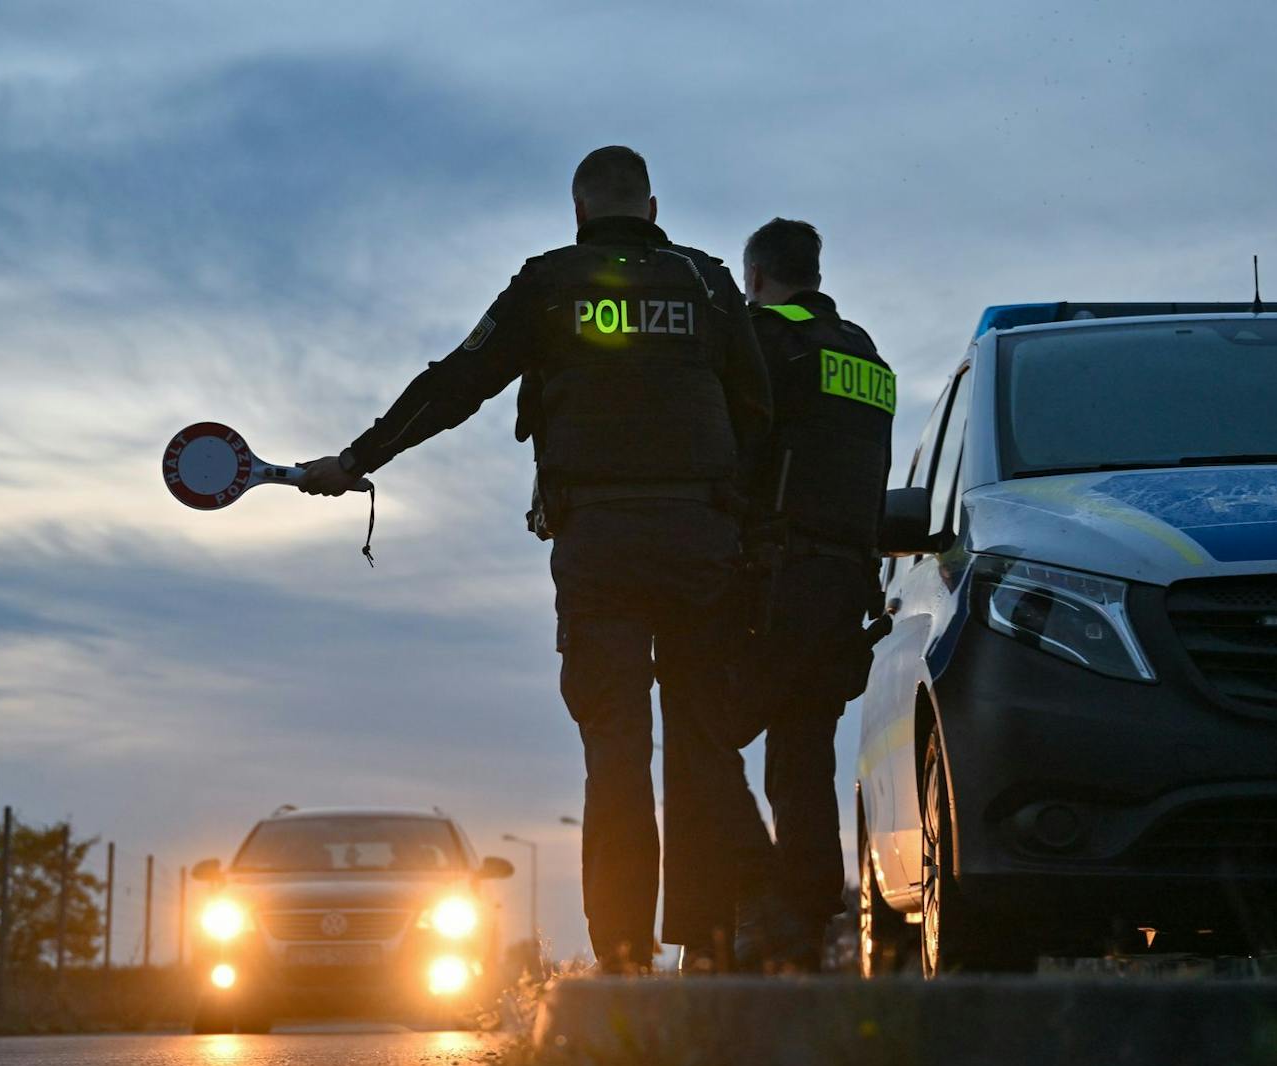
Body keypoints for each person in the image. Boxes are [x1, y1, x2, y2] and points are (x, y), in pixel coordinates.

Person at [299, 146, 777, 972]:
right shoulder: (705, 282)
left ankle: (622, 958)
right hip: (702, 540)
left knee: (616, 752)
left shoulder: (551, 281)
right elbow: (757, 410)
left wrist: (359, 459)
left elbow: (457, 382)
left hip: (598, 544)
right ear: (652, 208)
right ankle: (709, 948)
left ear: (579, 212)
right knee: (704, 747)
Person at [736, 217, 896, 969]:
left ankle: (757, 916)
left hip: (771, 584)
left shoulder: (767, 340)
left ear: (758, 277)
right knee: (803, 767)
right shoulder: (867, 354)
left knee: (708, 741)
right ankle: (801, 935)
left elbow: (739, 457)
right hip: (842, 594)